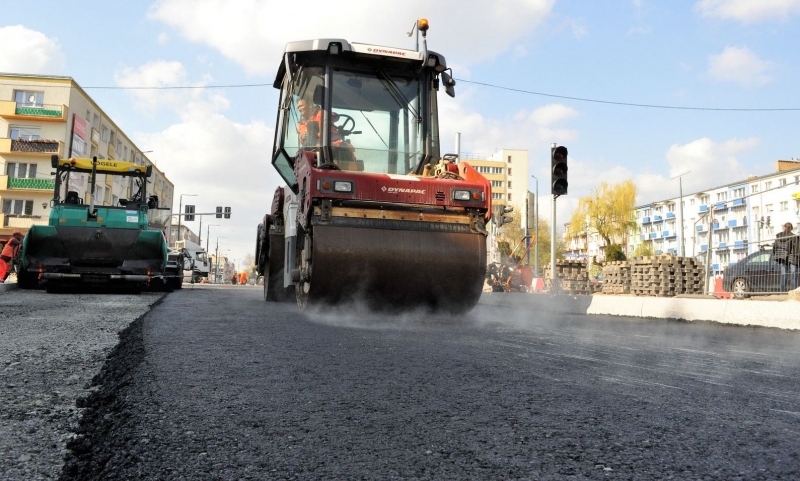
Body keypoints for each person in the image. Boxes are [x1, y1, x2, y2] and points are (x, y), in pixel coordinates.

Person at [774, 223, 797, 292]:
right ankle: (793, 291)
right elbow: (796, 247)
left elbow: (775, 247)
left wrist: (776, 255)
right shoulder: (794, 236)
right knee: (793, 273)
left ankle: (782, 291)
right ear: (791, 228)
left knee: (783, 274)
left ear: (784, 227)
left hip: (782, 257)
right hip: (792, 256)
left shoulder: (779, 236)